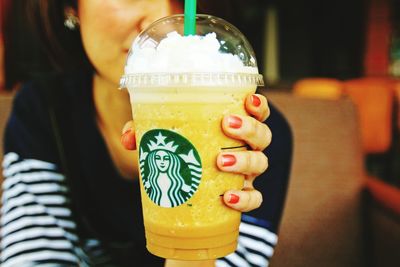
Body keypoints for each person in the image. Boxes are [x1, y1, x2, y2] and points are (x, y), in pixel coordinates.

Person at [0, 0, 293, 266]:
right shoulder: (43, 112)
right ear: (71, 6)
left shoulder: (251, 138)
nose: (162, 19)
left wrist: (194, 244)